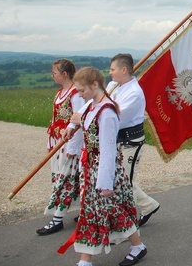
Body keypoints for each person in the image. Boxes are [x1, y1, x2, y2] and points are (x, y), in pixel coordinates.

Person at [60, 67, 147, 266]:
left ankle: (137, 246)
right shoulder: (92, 104)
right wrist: (71, 126)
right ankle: (86, 259)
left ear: (95, 85)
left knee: (113, 210)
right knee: (92, 212)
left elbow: (108, 150)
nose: (79, 95)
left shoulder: (107, 112)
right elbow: (80, 116)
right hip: (91, 168)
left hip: (105, 172)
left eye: (82, 91)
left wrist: (105, 182)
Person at [108, 53, 160, 226]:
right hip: (117, 141)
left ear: (123, 70)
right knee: (118, 180)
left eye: (112, 69)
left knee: (125, 182)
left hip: (131, 141)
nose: (110, 72)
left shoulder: (134, 93)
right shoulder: (113, 86)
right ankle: (148, 205)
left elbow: (116, 118)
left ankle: (127, 221)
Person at [37, 59, 85, 236]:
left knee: (65, 181)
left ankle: (57, 219)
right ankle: (84, 212)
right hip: (58, 143)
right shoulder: (59, 94)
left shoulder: (75, 94)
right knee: (67, 180)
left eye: (54, 72)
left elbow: (79, 122)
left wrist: (73, 148)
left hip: (69, 145)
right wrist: (50, 142)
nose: (52, 75)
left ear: (64, 74)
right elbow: (54, 119)